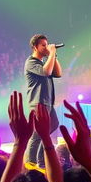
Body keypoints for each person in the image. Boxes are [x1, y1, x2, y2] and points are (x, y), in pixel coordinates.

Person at [24, 34, 62, 166]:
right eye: (43, 45)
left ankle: (40, 161)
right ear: (35, 47)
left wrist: (54, 55)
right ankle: (31, 163)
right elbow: (46, 72)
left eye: (47, 44)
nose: (46, 47)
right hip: (38, 103)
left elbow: (58, 73)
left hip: (48, 103)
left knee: (53, 125)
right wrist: (51, 53)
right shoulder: (31, 62)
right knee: (37, 133)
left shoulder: (44, 62)